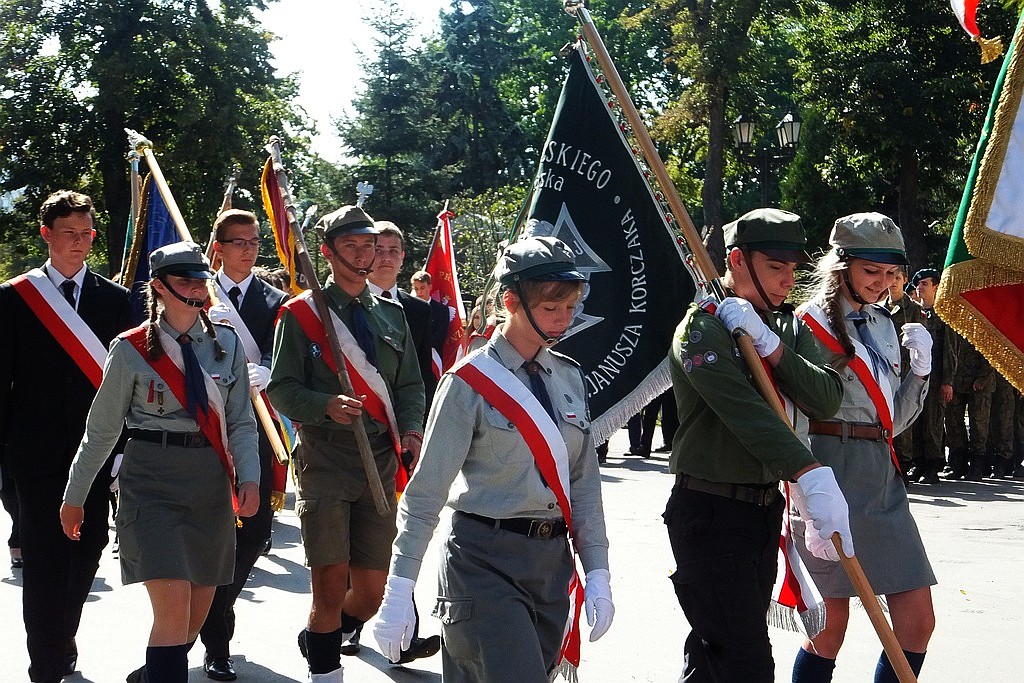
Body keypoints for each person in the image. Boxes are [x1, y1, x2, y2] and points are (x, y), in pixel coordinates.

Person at [374, 236, 614, 681]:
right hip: (483, 561)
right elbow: (426, 493)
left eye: (570, 306)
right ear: (511, 301)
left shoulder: (568, 377)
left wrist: (598, 570)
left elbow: (583, 482)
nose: (563, 319)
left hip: (550, 564)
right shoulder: (469, 381)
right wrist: (400, 585)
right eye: (550, 307)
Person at [59, 241, 260, 683]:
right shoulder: (130, 349)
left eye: (201, 278)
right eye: (185, 279)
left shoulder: (225, 344)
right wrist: (74, 497)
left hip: (210, 484)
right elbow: (101, 431)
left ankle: (149, 676)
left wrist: (250, 477)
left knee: (193, 617)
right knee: (171, 611)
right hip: (152, 482)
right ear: (159, 287)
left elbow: (242, 421)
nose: (196, 286)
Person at [665, 208, 850, 682]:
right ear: (737, 260)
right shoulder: (701, 329)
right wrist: (809, 471)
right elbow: (746, 415)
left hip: (762, 513)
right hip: (711, 512)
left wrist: (771, 344)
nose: (788, 279)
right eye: (775, 266)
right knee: (745, 661)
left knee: (715, 655)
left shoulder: (788, 328)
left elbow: (826, 397)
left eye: (793, 268)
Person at [268, 205, 424, 683]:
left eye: (369, 245)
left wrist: (413, 429)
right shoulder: (302, 315)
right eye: (352, 246)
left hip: (378, 458)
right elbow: (280, 387)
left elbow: (412, 385)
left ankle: (320, 638)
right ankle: (326, 670)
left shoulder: (392, 315)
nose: (363, 254)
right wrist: (325, 404)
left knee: (372, 592)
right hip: (325, 457)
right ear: (328, 253)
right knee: (330, 587)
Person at [793, 212, 934, 682]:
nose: (882, 283)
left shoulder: (882, 324)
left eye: (890, 274)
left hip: (881, 476)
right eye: (870, 272)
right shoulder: (807, 327)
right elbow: (789, 416)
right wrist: (801, 493)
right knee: (829, 627)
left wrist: (920, 372)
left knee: (916, 623)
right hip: (828, 474)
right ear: (842, 266)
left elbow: (892, 420)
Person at [0, 190, 132, 683]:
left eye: (86, 234)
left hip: (96, 454)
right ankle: (47, 666)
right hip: (33, 455)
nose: (78, 243)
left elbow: (127, 387)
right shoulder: (15, 298)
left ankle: (62, 632)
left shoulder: (117, 301)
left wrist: (122, 452)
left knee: (89, 546)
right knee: (43, 560)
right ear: (46, 235)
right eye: (68, 233)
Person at [199, 209, 291, 681]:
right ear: (218, 247)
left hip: (258, 427)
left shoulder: (278, 301)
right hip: (204, 428)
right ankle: (218, 641)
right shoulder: (196, 292)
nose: (248, 249)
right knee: (213, 535)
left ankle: (213, 615)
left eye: (254, 241)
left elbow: (290, 356)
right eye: (238, 242)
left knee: (252, 533)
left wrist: (271, 370)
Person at [885, 266, 924, 483]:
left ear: (904, 280)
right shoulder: (877, 308)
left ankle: (904, 464)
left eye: (897, 277)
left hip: (906, 372)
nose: (893, 282)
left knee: (903, 420)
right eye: (890, 277)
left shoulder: (914, 309)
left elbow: (924, 344)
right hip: (885, 371)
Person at [941, 330, 994, 480]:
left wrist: (983, 377)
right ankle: (959, 464)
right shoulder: (952, 319)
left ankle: (977, 466)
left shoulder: (979, 319)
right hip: (956, 380)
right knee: (953, 422)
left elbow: (989, 350)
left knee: (979, 424)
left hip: (979, 382)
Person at [908, 268, 945, 484]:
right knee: (916, 422)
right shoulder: (915, 314)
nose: (919, 288)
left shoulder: (942, 315)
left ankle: (933, 465)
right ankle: (919, 462)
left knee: (933, 423)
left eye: (924, 284)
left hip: (936, 378)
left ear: (936, 287)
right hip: (916, 377)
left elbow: (949, 350)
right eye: (918, 284)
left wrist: (948, 381)